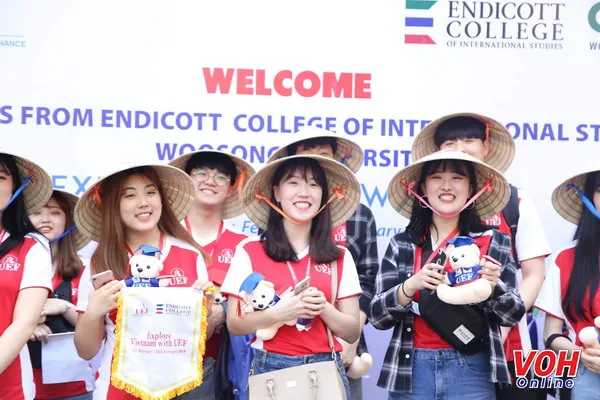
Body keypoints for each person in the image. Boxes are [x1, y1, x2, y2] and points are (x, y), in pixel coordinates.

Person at [411, 113, 551, 399]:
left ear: (486, 146)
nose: (460, 148)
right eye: (450, 142)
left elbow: (534, 275)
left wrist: (502, 325)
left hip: (512, 348)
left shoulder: (516, 201)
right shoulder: (435, 206)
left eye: (469, 140)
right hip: (451, 350)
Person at [370, 149, 525, 399]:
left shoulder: (493, 241)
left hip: (472, 369)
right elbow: (378, 317)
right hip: (412, 369)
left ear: (471, 187)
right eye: (436, 177)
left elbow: (513, 314)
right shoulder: (403, 244)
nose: (446, 186)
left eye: (457, 177)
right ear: (423, 187)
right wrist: (409, 286)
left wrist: (495, 286)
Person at [220, 154, 363, 399]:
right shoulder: (249, 250)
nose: (304, 192)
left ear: (323, 196)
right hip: (269, 368)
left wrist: (324, 308)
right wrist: (278, 313)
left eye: (314, 184)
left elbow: (351, 332)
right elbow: (234, 323)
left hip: (325, 368)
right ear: (276, 192)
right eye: (294, 182)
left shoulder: (340, 256)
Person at [72, 163, 215, 400]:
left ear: (162, 199)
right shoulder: (100, 263)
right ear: (113, 205)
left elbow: (200, 337)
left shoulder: (190, 255)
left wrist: (205, 311)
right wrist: (93, 313)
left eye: (150, 192)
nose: (143, 203)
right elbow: (85, 351)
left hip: (180, 388)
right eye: (129, 195)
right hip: (119, 389)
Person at [268, 127, 378, 399]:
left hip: (345, 340)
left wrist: (350, 341)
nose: (315, 159)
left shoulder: (360, 215)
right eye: (306, 154)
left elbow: (368, 280)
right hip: (283, 346)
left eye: (323, 154)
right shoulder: (278, 216)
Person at [169, 150, 256, 400]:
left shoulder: (245, 244)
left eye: (221, 177)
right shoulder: (164, 238)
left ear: (230, 188)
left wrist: (224, 308)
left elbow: (256, 304)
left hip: (226, 368)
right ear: (187, 180)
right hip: (167, 362)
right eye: (201, 173)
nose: (210, 181)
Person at [535, 165, 600, 399]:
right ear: (588, 197)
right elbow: (551, 334)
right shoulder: (566, 258)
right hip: (585, 376)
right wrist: (583, 355)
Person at [28, 190, 95, 400]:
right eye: (37, 212)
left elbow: (97, 328)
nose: (45, 219)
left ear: (68, 221)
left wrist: (64, 307)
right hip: (20, 384)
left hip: (75, 388)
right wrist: (27, 325)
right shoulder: (11, 265)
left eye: (55, 212)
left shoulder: (85, 268)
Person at [0, 151, 54, 400]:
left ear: (15, 187)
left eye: (0, 177)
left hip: (11, 388)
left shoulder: (32, 246)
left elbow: (24, 323)